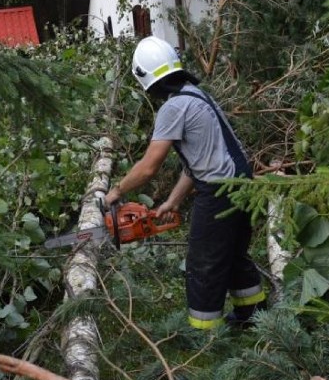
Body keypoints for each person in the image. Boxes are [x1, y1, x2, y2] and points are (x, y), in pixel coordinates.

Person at [104, 35, 266, 329]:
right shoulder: (197, 95)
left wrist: (115, 191)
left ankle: (204, 336)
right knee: (233, 253)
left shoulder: (174, 108)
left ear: (145, 78)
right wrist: (174, 201)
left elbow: (149, 167)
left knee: (203, 263)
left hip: (220, 191)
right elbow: (199, 162)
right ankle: (255, 316)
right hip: (243, 184)